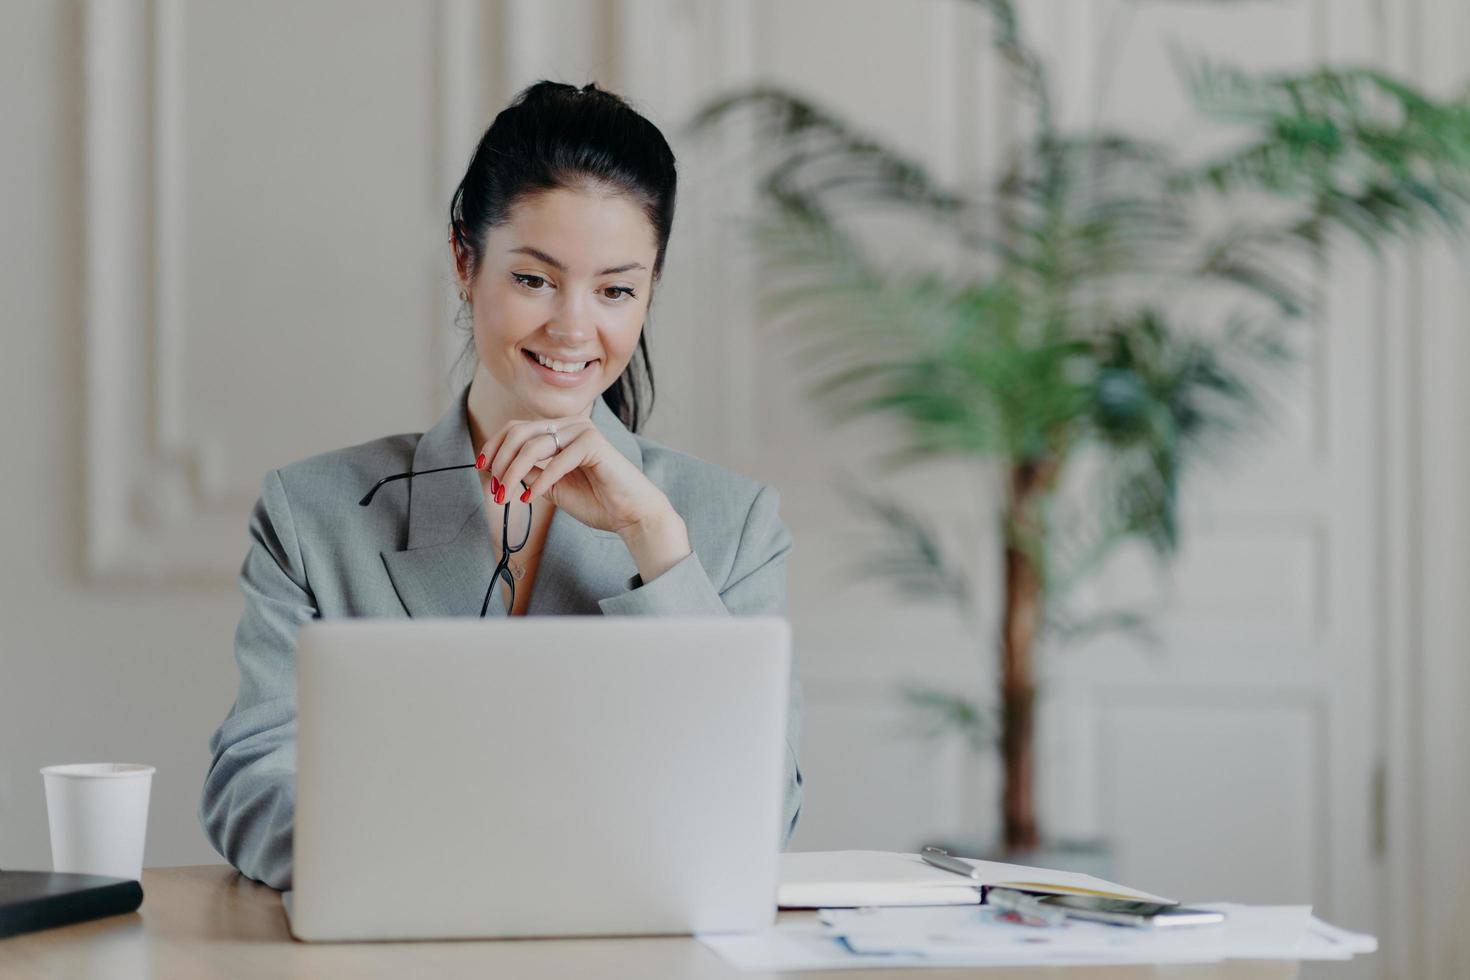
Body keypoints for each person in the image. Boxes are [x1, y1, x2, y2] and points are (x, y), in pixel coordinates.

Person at [198, 80, 804, 891]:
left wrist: (657, 548)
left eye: (616, 290)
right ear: (464, 260)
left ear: (650, 291)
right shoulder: (313, 514)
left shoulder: (729, 527)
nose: (573, 327)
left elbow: (758, 817)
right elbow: (253, 784)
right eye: (534, 279)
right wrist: (455, 871)